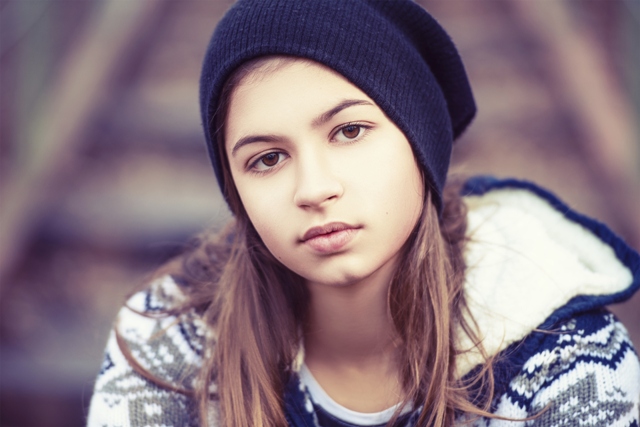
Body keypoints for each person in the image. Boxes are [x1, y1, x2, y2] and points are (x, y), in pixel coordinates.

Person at [87, 0, 640, 426]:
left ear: (420, 141)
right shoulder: (167, 339)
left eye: (349, 131)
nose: (315, 188)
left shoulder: (566, 355)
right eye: (267, 159)